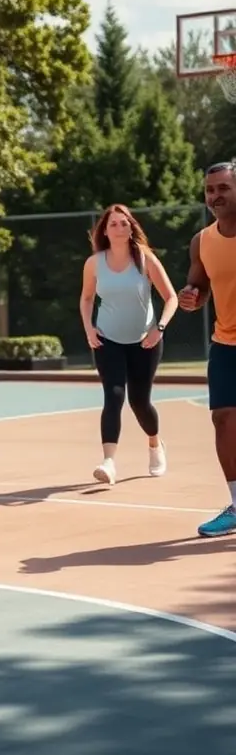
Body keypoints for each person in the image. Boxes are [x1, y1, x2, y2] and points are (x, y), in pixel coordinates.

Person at [79, 203, 178, 485]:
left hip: (144, 341)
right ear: (105, 231)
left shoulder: (145, 259)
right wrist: (89, 328)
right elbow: (86, 299)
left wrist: (159, 329)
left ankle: (155, 445)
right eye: (113, 224)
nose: (120, 227)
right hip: (107, 339)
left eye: (124, 223)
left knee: (140, 401)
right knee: (113, 395)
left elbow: (170, 297)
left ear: (131, 227)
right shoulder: (94, 263)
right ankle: (108, 462)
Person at [179, 161, 236, 537]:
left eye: (223, 188)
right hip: (226, 344)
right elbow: (198, 288)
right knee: (223, 420)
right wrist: (191, 297)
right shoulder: (202, 241)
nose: (214, 196)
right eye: (209, 190)